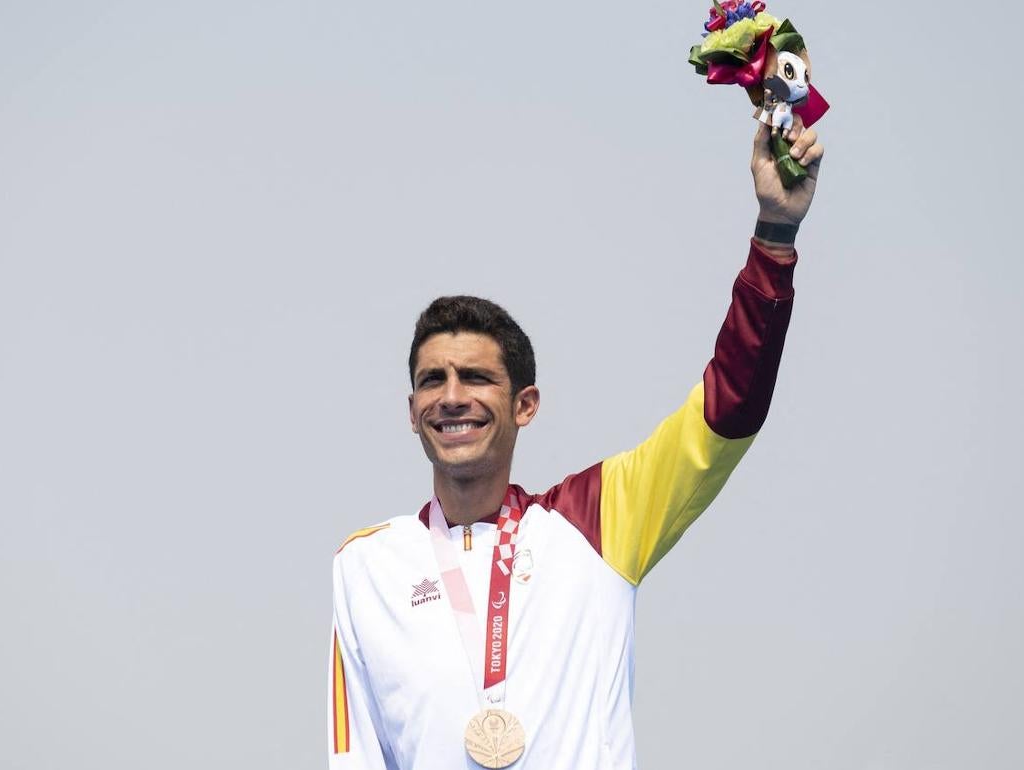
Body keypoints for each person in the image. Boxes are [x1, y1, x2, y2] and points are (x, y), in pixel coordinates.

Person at [327, 121, 824, 769]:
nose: (452, 397)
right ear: (413, 411)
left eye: (477, 377)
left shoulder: (599, 520)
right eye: (432, 381)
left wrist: (775, 237)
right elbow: (355, 755)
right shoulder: (367, 565)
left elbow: (726, 411)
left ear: (524, 405)